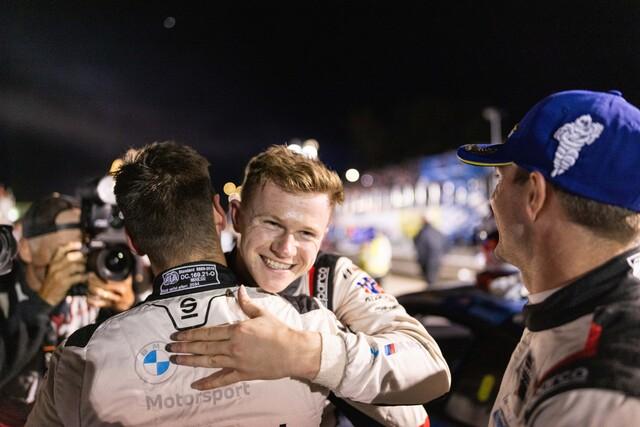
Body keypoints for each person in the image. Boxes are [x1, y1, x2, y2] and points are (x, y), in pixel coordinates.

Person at [26, 141, 376, 426]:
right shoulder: (307, 323)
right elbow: (398, 402)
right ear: (219, 214)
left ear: (133, 240)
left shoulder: (81, 356)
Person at [168, 145, 450, 426]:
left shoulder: (331, 278)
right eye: (272, 224)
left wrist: (301, 353)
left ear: (323, 235)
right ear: (237, 216)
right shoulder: (196, 284)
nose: (285, 249)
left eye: (306, 233)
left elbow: (429, 368)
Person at [456, 89, 640, 426]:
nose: (493, 201)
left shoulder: (595, 396)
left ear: (534, 195)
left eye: (499, 179)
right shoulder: (569, 309)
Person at [0, 194, 134, 425]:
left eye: (84, 248)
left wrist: (125, 312)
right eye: (65, 250)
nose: (77, 260)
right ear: (26, 249)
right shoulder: (4, 293)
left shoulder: (95, 289)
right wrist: (41, 303)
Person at [413, 215, 448, 286]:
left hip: (427, 262)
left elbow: (419, 248)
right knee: (433, 280)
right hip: (437, 260)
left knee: (430, 281)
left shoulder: (422, 233)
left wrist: (420, 261)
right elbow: (446, 245)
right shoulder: (437, 232)